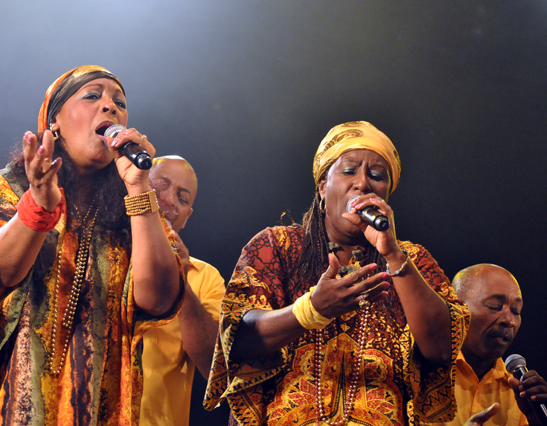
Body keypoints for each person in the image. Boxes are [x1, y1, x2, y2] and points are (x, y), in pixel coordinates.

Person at [0, 65, 184, 425]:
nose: (110, 107)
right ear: (54, 121)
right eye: (93, 96)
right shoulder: (13, 186)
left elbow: (160, 298)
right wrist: (39, 208)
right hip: (7, 406)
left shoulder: (136, 208)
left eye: (119, 103)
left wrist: (139, 188)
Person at [204, 120, 470, 425]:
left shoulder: (413, 261)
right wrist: (311, 310)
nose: (363, 183)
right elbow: (236, 336)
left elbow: (442, 350)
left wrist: (393, 255)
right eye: (349, 171)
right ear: (322, 187)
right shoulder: (276, 246)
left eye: (376, 176)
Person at [139, 155, 225, 426]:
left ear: (186, 218)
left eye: (182, 198)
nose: (168, 200)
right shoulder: (95, 253)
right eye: (160, 185)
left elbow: (213, 367)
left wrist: (181, 281)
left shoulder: (205, 278)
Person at [434, 263, 547, 426]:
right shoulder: (414, 372)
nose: (509, 320)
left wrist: (536, 420)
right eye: (495, 306)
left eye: (516, 311)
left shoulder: (518, 395)